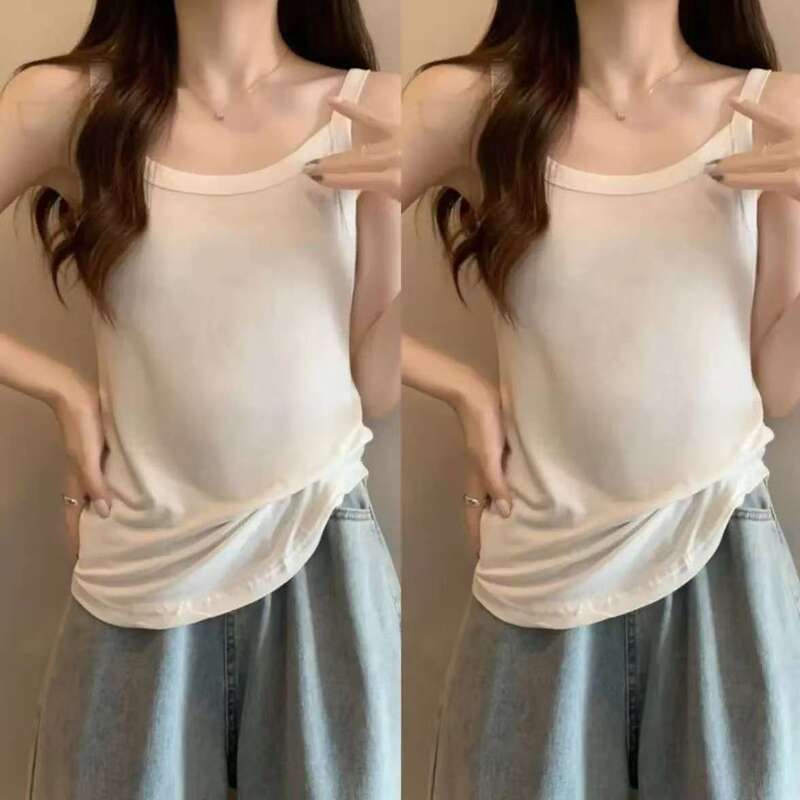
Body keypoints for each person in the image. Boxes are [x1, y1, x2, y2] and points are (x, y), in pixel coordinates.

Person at [0, 1, 401, 798]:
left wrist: (392, 198)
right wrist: (64, 392)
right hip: (138, 566)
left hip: (320, 545)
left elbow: (375, 390)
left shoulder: (366, 106)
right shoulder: (69, 105)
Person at [402, 0, 800, 797]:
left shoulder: (768, 110)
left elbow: (777, 386)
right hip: (537, 572)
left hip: (721, 548)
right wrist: (466, 391)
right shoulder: (469, 106)